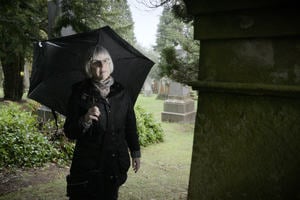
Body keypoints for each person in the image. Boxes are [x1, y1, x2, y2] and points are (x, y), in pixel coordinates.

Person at [63, 45, 141, 200]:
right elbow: (70, 131)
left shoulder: (121, 92)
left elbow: (130, 125)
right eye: (96, 62)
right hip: (88, 168)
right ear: (89, 66)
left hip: (114, 164)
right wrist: (85, 119)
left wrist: (135, 152)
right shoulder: (79, 92)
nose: (102, 66)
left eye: (106, 61)